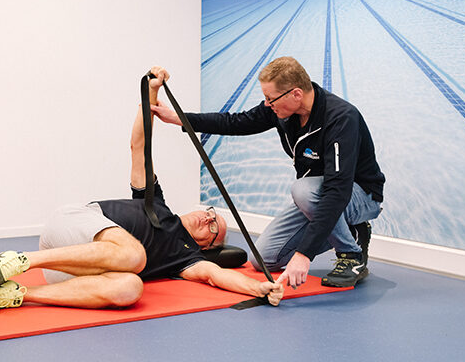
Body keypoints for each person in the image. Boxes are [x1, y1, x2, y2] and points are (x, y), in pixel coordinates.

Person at [0, 70, 284, 314]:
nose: (207, 219)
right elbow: (140, 146)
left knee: (131, 288)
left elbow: (217, 276)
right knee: (134, 255)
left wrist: (259, 289)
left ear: (207, 248)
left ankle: (12, 295)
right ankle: (16, 260)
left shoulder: (186, 259)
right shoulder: (155, 202)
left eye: (214, 229)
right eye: (211, 214)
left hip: (68, 271)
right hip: (70, 227)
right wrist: (152, 91)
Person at [150, 57, 385, 288]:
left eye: (270, 98)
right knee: (264, 259)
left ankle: (351, 255)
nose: (266, 104)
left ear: (296, 94)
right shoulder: (282, 110)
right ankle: (353, 231)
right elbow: (236, 122)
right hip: (319, 197)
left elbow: (337, 191)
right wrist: (178, 118)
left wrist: (304, 255)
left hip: (359, 195)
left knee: (302, 190)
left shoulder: (341, 118)